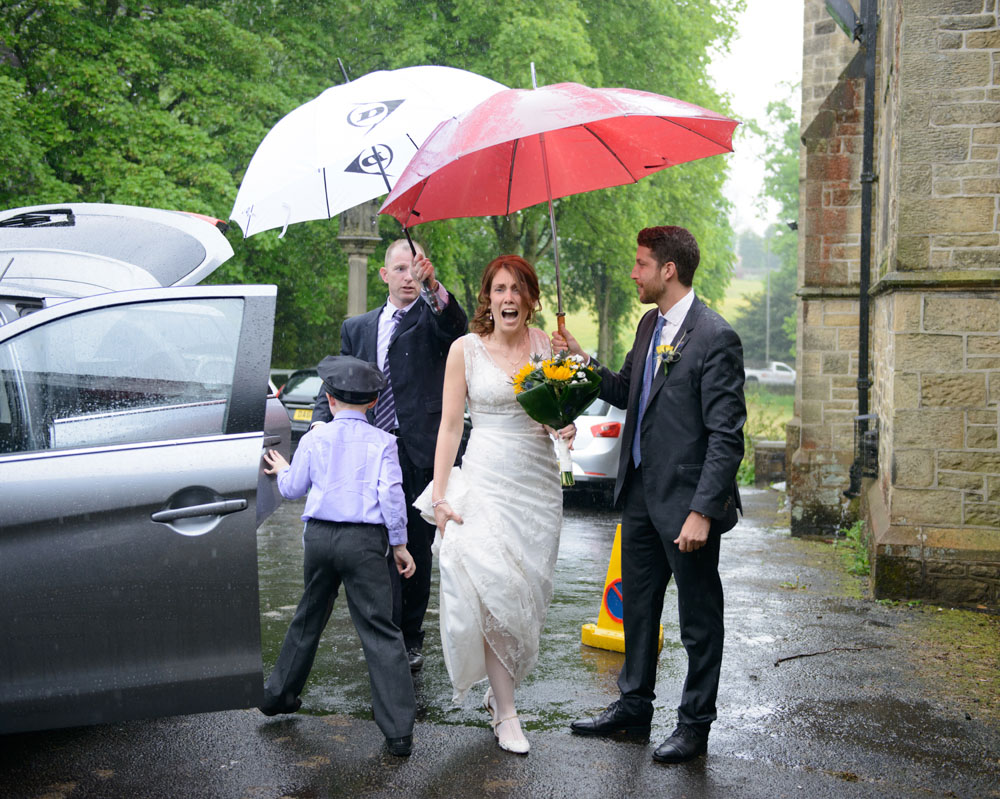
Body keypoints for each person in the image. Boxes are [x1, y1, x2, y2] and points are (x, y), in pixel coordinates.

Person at [554, 225, 746, 764]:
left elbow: (728, 437)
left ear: (668, 270)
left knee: (698, 621)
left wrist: (703, 512)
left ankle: (694, 725)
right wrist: (582, 360)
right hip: (638, 494)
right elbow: (626, 392)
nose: (633, 273)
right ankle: (634, 705)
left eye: (640, 264)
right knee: (638, 609)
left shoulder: (715, 337)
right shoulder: (648, 326)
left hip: (687, 506)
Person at [414, 255, 575, 756]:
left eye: (517, 290)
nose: (507, 298)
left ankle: (499, 692)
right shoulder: (464, 349)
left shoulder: (548, 346)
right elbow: (450, 426)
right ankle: (508, 714)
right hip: (485, 480)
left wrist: (564, 422)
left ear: (531, 299)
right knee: (493, 589)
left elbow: (553, 417)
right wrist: (440, 496)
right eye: (499, 290)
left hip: (538, 485)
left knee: (526, 596)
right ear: (488, 297)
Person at [311, 239, 467, 672]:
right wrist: (321, 426)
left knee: (415, 546)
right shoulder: (357, 328)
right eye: (399, 269)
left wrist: (434, 286)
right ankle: (382, 631)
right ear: (384, 275)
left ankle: (411, 638)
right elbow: (339, 382)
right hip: (366, 452)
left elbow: (458, 328)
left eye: (413, 270)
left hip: (417, 450)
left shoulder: (433, 319)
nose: (407, 278)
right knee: (373, 546)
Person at [260, 355, 417, 758]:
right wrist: (399, 544)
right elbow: (391, 498)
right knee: (379, 628)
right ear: (372, 403)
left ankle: (278, 695)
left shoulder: (315, 438)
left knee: (309, 615)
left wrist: (281, 469)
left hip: (319, 538)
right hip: (364, 542)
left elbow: (293, 489)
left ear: (329, 400)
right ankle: (398, 731)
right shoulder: (384, 442)